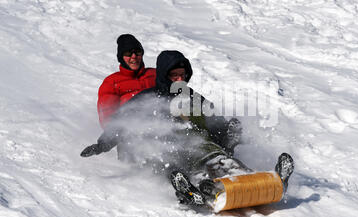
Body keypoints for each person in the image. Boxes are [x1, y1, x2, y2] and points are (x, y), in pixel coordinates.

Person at [81, 50, 294, 208]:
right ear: (165, 76)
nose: (180, 79)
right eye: (174, 76)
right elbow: (124, 122)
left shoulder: (191, 96)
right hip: (166, 149)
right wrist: (103, 144)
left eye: (183, 75)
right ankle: (197, 191)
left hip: (199, 143)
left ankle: (267, 182)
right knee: (184, 162)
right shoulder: (148, 98)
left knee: (221, 158)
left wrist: (229, 131)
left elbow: (213, 118)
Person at [97, 34, 156, 129]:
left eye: (138, 52)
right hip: (130, 134)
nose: (134, 56)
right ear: (121, 57)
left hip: (162, 129)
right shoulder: (112, 83)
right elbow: (107, 119)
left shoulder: (154, 74)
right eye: (128, 53)